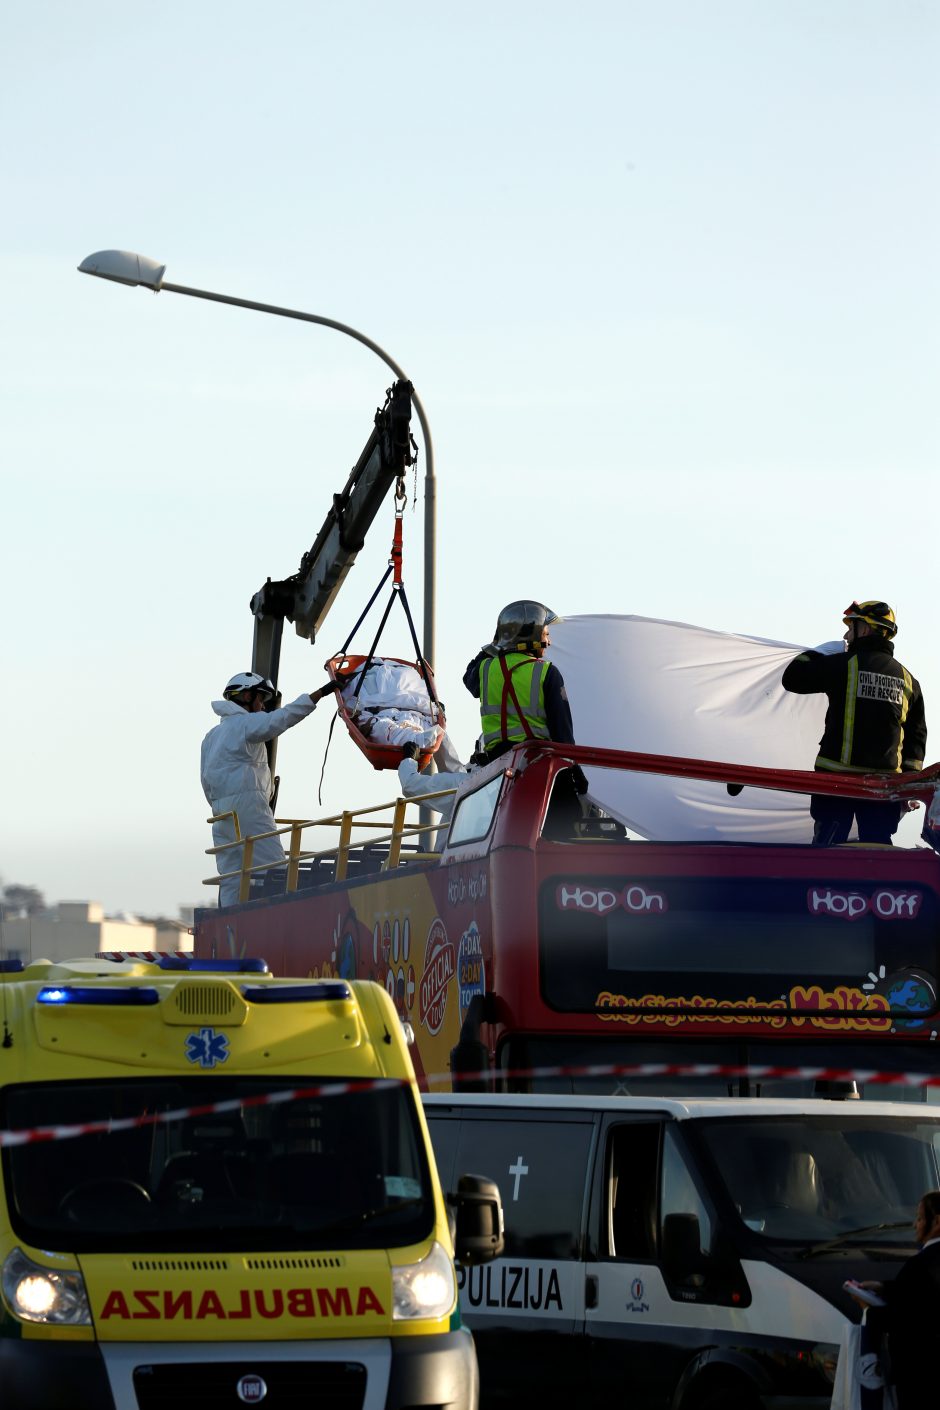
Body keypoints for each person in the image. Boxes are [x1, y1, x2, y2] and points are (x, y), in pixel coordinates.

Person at [782, 600, 927, 846]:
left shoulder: (844, 665)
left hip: (836, 779)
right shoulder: (909, 680)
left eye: (852, 628)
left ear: (866, 629)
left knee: (828, 846)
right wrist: (909, 786)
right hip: (885, 785)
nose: (846, 635)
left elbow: (793, 678)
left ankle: (824, 886)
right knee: (878, 848)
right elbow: (916, 737)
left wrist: (820, 651)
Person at [201, 671, 340, 906]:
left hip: (220, 812)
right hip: (249, 807)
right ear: (246, 695)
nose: (263, 706)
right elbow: (282, 718)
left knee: (233, 875)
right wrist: (319, 694)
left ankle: (229, 928)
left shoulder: (211, 736)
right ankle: (281, 917)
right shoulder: (245, 723)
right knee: (273, 867)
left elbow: (206, 780)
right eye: (260, 699)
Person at [848, 1189, 940, 1407]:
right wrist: (881, 1287)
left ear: (936, 1221)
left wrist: (867, 1308)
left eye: (919, 1218)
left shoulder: (919, 1265)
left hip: (919, 1376)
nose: (915, 1225)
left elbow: (903, 1317)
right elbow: (921, 1295)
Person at [462, 600, 576, 759]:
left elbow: (468, 677)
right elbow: (562, 732)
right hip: (535, 762)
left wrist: (497, 643)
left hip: (497, 768)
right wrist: (571, 768)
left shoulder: (484, 669)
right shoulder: (546, 672)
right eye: (546, 634)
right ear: (533, 635)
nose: (549, 642)